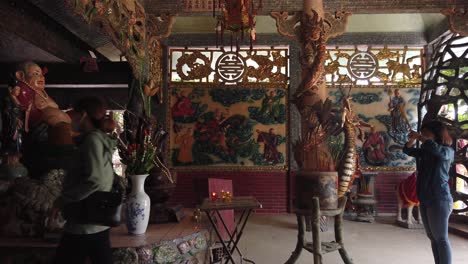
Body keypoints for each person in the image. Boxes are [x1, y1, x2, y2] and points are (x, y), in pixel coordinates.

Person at [53, 96, 117, 264]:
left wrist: (63, 199)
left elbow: (95, 180)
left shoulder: (92, 140)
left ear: (83, 115)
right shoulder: (96, 139)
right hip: (92, 221)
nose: (70, 117)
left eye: (73, 113)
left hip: (84, 222)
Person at [403, 120, 454, 264]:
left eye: (426, 134)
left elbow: (438, 151)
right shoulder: (427, 151)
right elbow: (408, 150)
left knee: (441, 238)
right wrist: (412, 140)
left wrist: (420, 138)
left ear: (437, 135)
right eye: (422, 133)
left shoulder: (447, 151)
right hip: (425, 198)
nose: (423, 136)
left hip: (439, 199)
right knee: (433, 237)